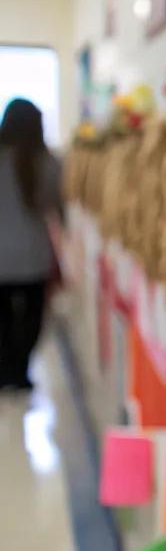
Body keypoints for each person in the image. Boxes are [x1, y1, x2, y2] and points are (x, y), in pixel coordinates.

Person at [0, 97, 63, 391]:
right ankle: (20, 370)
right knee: (32, 317)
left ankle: (5, 369)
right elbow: (54, 205)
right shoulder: (48, 162)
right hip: (34, 257)